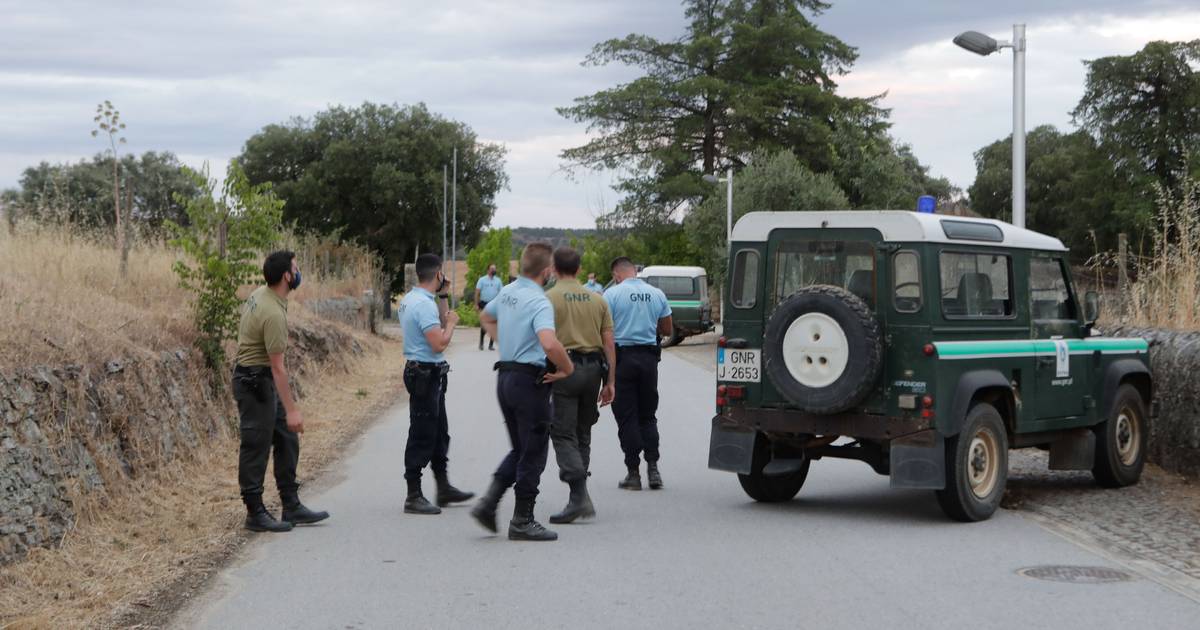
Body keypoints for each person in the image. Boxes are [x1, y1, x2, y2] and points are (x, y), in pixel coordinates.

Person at [471, 243, 574, 542]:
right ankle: (522, 520)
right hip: (530, 382)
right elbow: (549, 343)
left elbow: (485, 317)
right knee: (534, 451)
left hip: (505, 377)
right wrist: (567, 368)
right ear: (547, 271)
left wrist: (504, 343)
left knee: (520, 448)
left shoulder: (507, 292)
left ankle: (488, 503)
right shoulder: (539, 301)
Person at [232, 250, 329, 532]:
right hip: (254, 382)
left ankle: (291, 504)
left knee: (287, 438)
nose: (298, 273)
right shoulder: (273, 312)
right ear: (287, 276)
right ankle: (254, 512)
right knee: (256, 445)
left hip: (258, 378)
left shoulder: (263, 294)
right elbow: (278, 369)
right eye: (295, 269)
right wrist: (292, 410)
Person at [543, 247, 616, 524]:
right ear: (579, 269)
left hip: (565, 369)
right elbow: (609, 344)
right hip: (594, 369)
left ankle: (578, 495)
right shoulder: (598, 299)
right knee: (583, 432)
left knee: (563, 434)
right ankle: (580, 496)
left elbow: (544, 340)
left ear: (554, 268)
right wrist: (610, 382)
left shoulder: (548, 299)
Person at [397, 253, 475, 515]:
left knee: (440, 432)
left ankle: (443, 487)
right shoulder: (422, 305)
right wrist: (452, 324)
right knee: (422, 433)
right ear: (438, 273)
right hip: (424, 374)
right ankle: (413, 495)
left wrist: (443, 296)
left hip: (429, 373)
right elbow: (439, 342)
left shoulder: (413, 299)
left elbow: (439, 322)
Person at [604, 257, 672, 491]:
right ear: (634, 271)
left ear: (616, 275)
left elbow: (605, 332)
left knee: (627, 417)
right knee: (648, 416)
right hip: (648, 360)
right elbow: (667, 329)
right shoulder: (657, 294)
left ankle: (633, 473)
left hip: (623, 359)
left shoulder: (612, 295)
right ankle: (653, 469)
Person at [475, 263, 503, 350]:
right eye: (492, 269)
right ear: (488, 270)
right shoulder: (482, 280)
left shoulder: (498, 281)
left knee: (494, 323)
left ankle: (491, 345)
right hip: (484, 303)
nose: (494, 270)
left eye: (495, 268)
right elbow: (477, 292)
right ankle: (481, 343)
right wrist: (476, 304)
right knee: (484, 323)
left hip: (494, 304)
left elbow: (502, 293)